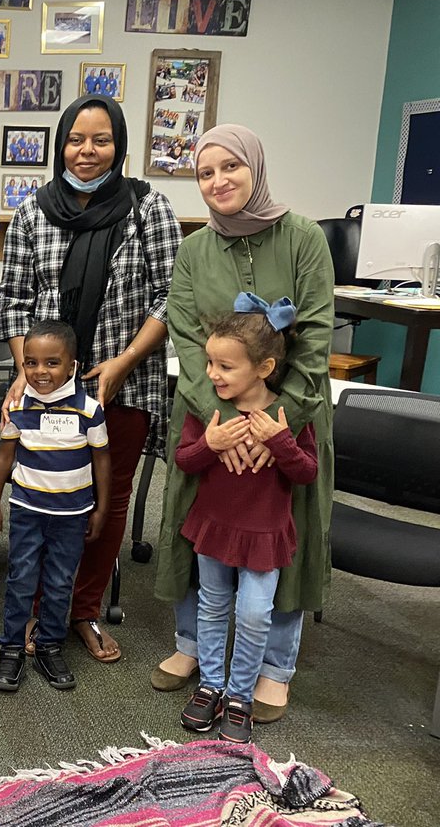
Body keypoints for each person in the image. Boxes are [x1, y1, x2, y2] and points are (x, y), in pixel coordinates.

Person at [153, 125, 334, 725]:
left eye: (231, 167)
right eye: (205, 173)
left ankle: (274, 667)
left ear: (255, 168)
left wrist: (270, 426)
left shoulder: (304, 237)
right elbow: (184, 335)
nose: (218, 181)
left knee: (282, 532)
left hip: (291, 417)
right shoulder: (194, 249)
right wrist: (223, 424)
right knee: (194, 526)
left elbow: (313, 339)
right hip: (209, 414)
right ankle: (192, 651)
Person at [0, 94, 181, 664]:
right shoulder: (34, 210)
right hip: (45, 386)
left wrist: (123, 362)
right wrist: (26, 375)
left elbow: (172, 296)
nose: (87, 151)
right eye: (76, 139)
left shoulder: (148, 208)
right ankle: (32, 613)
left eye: (101, 140)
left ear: (119, 146)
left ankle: (82, 610)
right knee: (39, 497)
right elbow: (14, 302)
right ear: (61, 145)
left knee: (106, 497)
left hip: (121, 383)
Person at [174, 300, 317, 743]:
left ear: (264, 367)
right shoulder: (211, 411)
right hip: (214, 527)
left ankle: (240, 695)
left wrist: (281, 443)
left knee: (255, 615)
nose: (213, 374)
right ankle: (211, 685)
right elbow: (184, 459)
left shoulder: (285, 416)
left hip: (263, 536)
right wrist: (211, 443)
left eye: (225, 366)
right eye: (210, 363)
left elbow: (307, 473)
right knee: (212, 607)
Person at [0, 320, 110, 693]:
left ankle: (49, 645)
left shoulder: (90, 410)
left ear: (72, 366)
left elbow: (102, 461)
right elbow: (4, 458)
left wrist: (101, 508)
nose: (40, 372)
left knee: (58, 583)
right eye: (31, 363)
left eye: (52, 363)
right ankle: (11, 648)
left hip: (72, 515)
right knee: (21, 579)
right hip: (28, 510)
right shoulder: (18, 407)